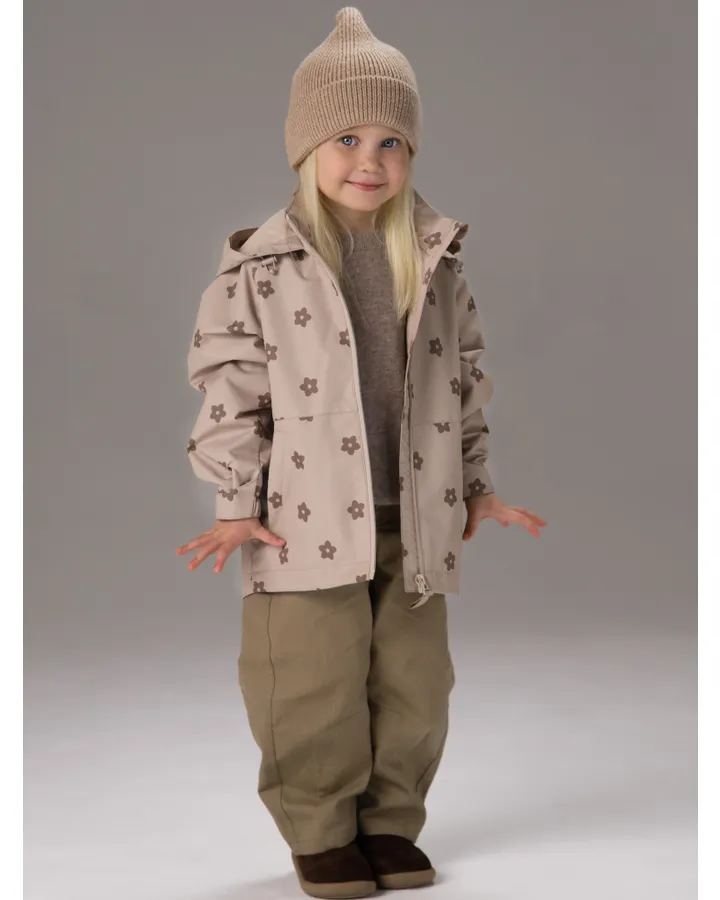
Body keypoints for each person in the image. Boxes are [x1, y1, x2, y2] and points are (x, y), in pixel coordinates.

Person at [176, 6, 546, 898]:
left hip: (414, 513)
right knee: (310, 680)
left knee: (416, 682)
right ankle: (319, 829)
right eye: (346, 139)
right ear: (306, 148)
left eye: (391, 143)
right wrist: (236, 502)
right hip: (301, 519)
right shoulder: (262, 266)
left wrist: (478, 486)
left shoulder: (435, 260)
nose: (369, 161)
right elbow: (230, 388)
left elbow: (462, 381)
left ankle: (388, 824)